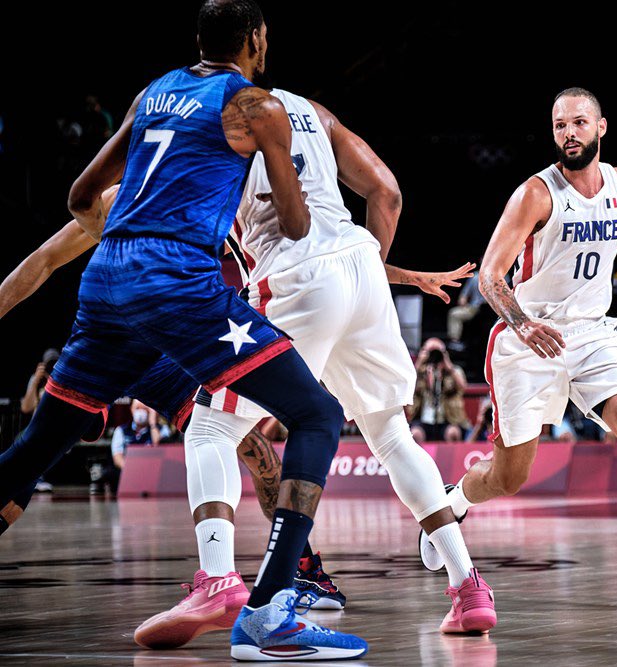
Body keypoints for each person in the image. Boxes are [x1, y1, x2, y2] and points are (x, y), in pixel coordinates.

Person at [0, 1, 370, 659]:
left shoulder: (153, 93)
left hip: (110, 279)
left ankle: (232, 574)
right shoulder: (256, 107)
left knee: (34, 450)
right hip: (176, 280)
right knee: (315, 414)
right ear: (256, 42)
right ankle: (272, 611)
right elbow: (294, 223)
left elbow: (81, 198)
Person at [136, 76, 494, 645]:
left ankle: (217, 580)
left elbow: (256, 232)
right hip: (360, 266)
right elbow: (388, 193)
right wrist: (379, 272)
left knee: (209, 427)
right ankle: (469, 588)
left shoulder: (212, 120)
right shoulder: (313, 112)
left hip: (294, 277)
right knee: (393, 438)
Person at [419, 87, 617, 612]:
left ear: (601, 127)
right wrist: (523, 322)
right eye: (560, 126)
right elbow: (490, 277)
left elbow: (613, 230)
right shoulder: (535, 194)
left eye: (579, 123)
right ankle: (455, 500)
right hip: (528, 338)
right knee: (510, 477)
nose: (569, 133)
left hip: (593, 334)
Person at [409, 338, 472, 442]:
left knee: (453, 433)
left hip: (448, 419)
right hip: (422, 419)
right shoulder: (417, 372)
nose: (434, 355)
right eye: (430, 351)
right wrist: (419, 363)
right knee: (415, 433)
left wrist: (448, 366)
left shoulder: (453, 371)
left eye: (437, 351)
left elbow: (463, 387)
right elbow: (408, 387)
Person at [19, 348, 61, 493]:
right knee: (27, 440)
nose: (51, 367)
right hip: (37, 426)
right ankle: (34, 479)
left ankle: (37, 478)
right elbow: (26, 408)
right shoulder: (36, 379)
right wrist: (36, 381)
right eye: (49, 364)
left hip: (57, 427)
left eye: (55, 363)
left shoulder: (63, 378)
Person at [446, 266, 484, 347]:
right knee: (454, 313)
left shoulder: (502, 274)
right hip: (475, 308)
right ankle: (455, 342)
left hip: (496, 309)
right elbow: (463, 297)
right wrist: (464, 303)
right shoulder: (475, 277)